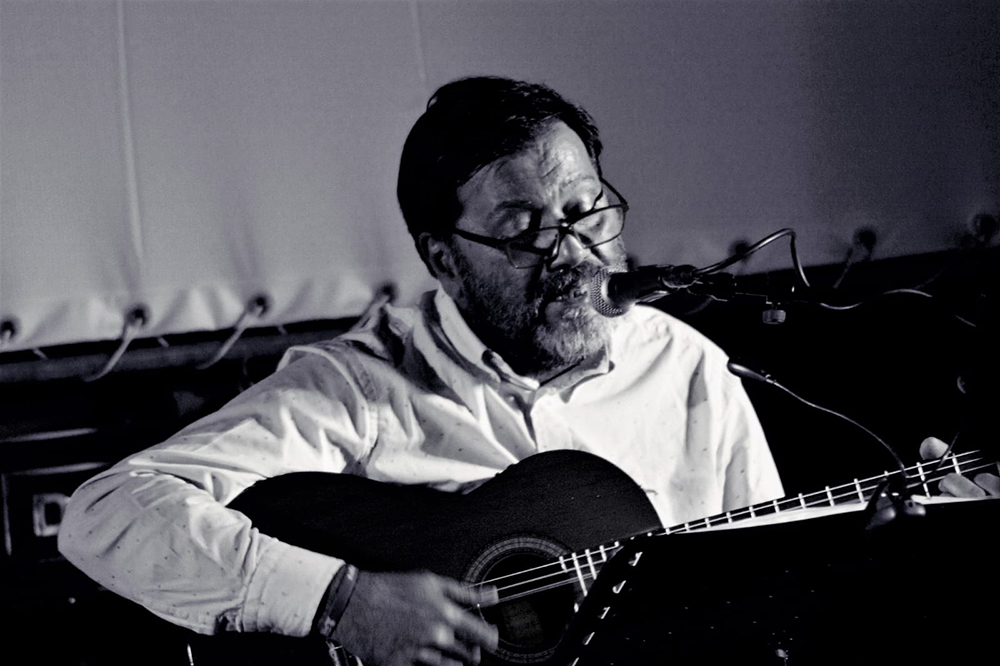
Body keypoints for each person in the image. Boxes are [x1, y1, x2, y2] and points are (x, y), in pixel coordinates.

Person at [59, 76, 993, 666]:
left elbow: (757, 607)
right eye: (522, 231)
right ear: (443, 257)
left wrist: (857, 561)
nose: (573, 253)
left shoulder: (687, 368)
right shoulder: (360, 387)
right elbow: (106, 513)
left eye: (586, 212)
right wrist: (338, 601)